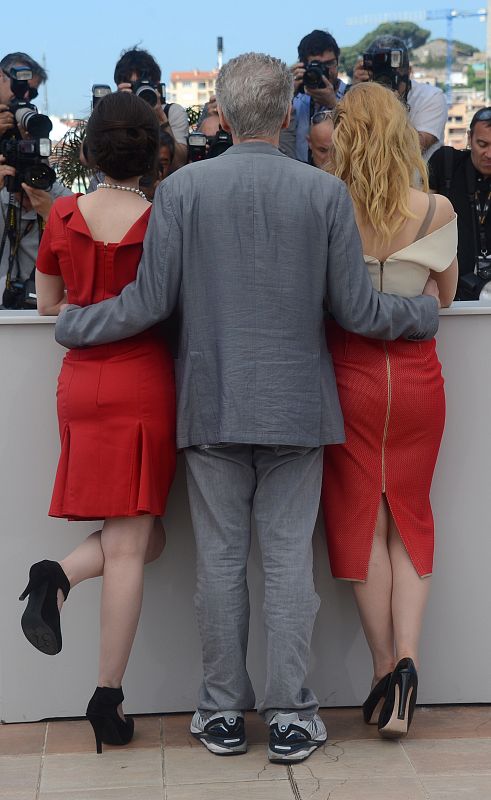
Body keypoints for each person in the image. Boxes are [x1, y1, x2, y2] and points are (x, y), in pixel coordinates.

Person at [55, 52, 440, 764]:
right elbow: (354, 309)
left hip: (212, 404)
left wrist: (77, 323)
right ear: (283, 114)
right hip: (298, 407)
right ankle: (292, 717)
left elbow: (149, 303)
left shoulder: (183, 192)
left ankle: (222, 713)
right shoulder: (321, 194)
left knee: (221, 566)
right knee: (289, 566)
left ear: (224, 117)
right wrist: (419, 314)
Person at [18, 92, 176, 753]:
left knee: (144, 540)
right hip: (142, 383)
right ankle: (107, 697)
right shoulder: (165, 219)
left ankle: (57, 575)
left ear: (88, 153)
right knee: (132, 546)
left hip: (81, 384)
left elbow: (47, 304)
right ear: (153, 154)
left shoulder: (61, 213)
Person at [322, 82, 457, 738]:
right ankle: (407, 662)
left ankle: (382, 667)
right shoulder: (435, 208)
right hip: (416, 381)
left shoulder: (329, 206)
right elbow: (447, 295)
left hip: (349, 378)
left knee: (360, 521)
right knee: (410, 518)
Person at [0, 52, 71, 304]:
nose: (26, 97)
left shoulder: (56, 196)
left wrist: (52, 214)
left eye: (33, 93)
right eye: (21, 88)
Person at [352, 35, 447, 162]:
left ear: (408, 72)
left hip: (416, 180)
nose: (384, 87)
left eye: (390, 78)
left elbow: (416, 146)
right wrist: (356, 94)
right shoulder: (364, 97)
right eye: (380, 81)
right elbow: (350, 143)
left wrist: (394, 106)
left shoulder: (431, 97)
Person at [429, 107, 491, 299]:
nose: (489, 154)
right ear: (469, 138)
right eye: (482, 144)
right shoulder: (446, 164)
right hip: (453, 294)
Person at [114, 47, 189, 170]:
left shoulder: (172, 113)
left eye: (145, 84)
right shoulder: (114, 113)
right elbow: (92, 159)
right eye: (134, 86)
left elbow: (179, 163)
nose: (140, 91)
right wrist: (120, 112)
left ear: (157, 84)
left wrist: (160, 118)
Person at [282, 30, 347, 162]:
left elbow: (362, 136)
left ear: (338, 61)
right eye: (317, 66)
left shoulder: (352, 96)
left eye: (329, 64)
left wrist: (334, 104)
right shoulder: (294, 99)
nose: (325, 71)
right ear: (302, 65)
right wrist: (284, 94)